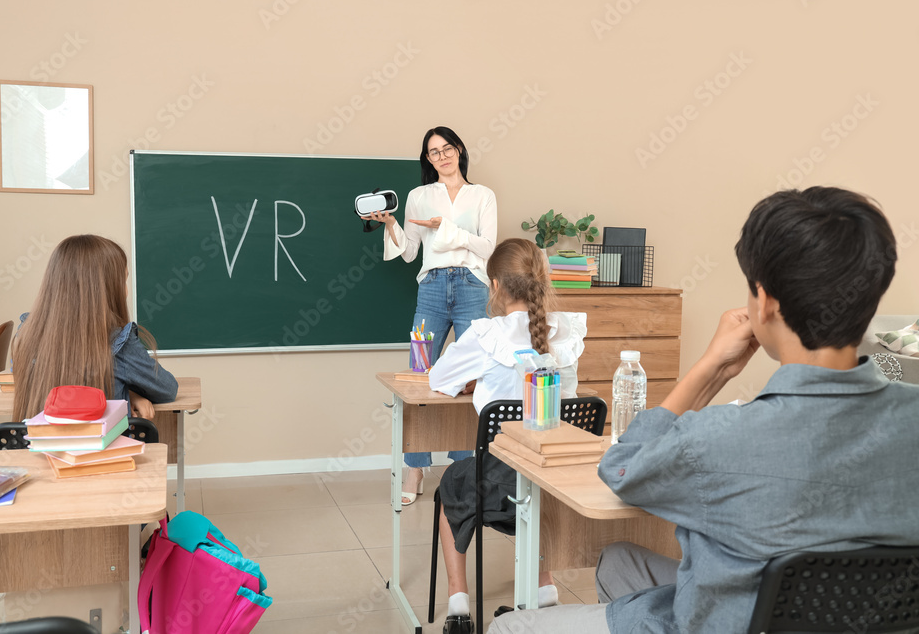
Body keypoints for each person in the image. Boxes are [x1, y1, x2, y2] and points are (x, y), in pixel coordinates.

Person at [489, 186, 919, 634]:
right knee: (620, 562)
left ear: (765, 304)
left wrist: (710, 369)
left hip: (724, 622)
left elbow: (621, 469)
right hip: (834, 616)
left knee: (509, 629)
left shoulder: (719, 439)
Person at [429, 238, 588, 634]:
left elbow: (437, 378)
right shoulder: (568, 332)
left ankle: (458, 606)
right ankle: (545, 591)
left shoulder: (487, 335)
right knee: (531, 486)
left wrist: (473, 382)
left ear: (496, 286)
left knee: (452, 482)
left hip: (502, 482)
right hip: (558, 479)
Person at [365, 126, 498, 505]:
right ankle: (416, 466)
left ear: (459, 150)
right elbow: (408, 252)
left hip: (473, 287)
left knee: (471, 377)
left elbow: (488, 247)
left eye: (446, 148)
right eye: (433, 152)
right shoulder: (419, 196)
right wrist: (390, 224)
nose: (441, 156)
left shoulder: (482, 195)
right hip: (433, 288)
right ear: (427, 159)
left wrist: (446, 229)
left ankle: (464, 466)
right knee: (419, 376)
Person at [12, 234, 178, 422]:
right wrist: (131, 391)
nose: (126, 289)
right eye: (123, 280)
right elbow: (168, 389)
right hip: (103, 450)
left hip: (37, 450)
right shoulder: (119, 343)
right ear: (107, 289)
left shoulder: (27, 334)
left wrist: (129, 393)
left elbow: (19, 379)